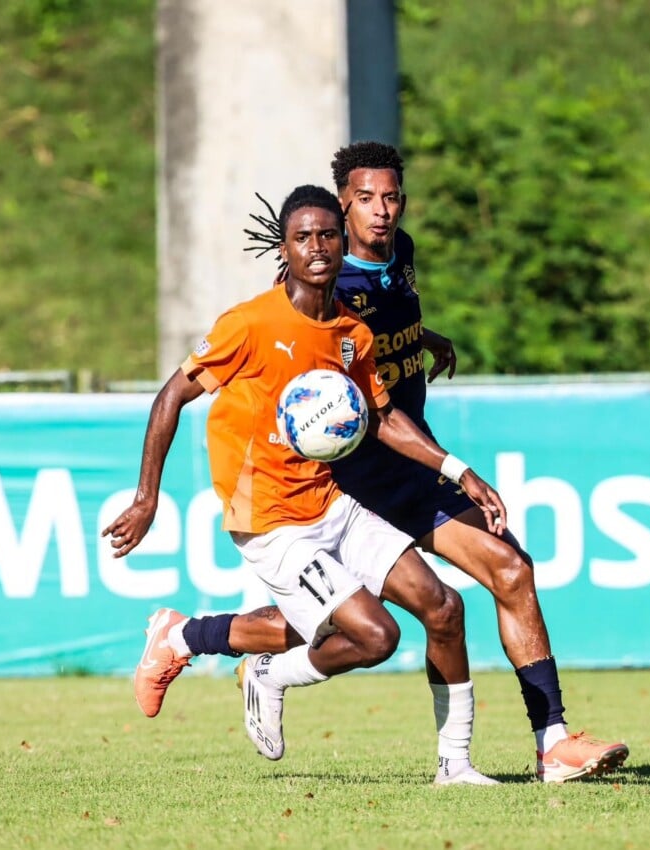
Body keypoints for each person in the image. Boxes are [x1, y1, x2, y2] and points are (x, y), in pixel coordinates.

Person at [237, 142, 629, 783]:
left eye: (392, 197)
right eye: (366, 199)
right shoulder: (322, 281)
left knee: (510, 569)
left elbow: (382, 328)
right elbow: (304, 350)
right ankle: (194, 640)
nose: (382, 211)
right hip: (350, 484)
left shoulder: (402, 254)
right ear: (343, 204)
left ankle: (551, 743)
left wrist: (422, 337)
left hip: (409, 468)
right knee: (343, 627)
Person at [103, 184, 508, 786]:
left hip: (332, 503)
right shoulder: (250, 323)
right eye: (302, 237)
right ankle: (268, 674)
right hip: (269, 520)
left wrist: (457, 471)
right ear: (285, 249)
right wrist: (146, 498)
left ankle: (456, 765)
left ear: (342, 243)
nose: (317, 247)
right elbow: (172, 395)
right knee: (375, 636)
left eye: (326, 235)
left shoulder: (353, 334)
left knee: (444, 608)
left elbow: (382, 417)